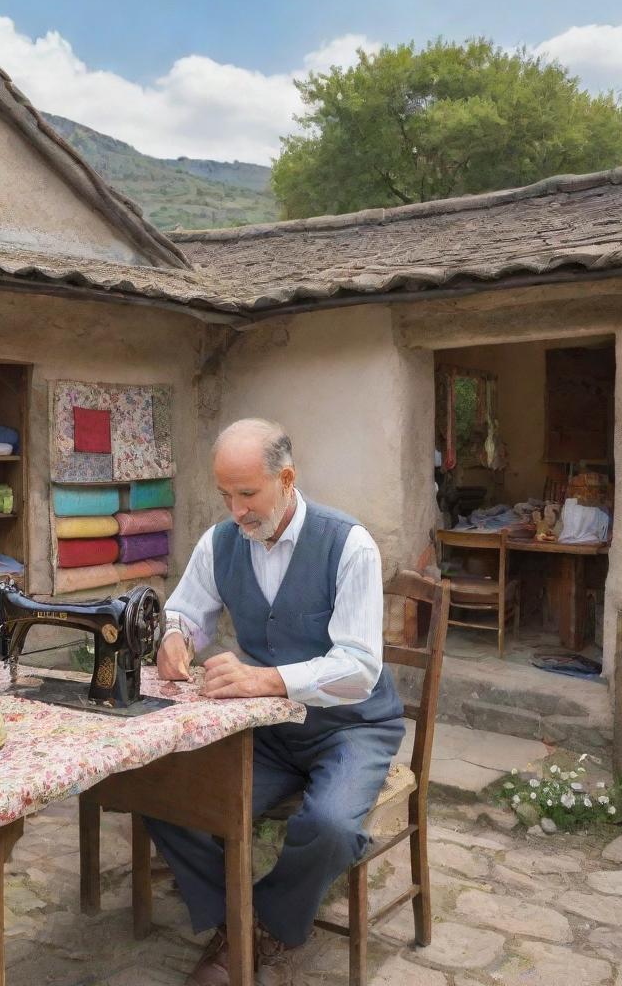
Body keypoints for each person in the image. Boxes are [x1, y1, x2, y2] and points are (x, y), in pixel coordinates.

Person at [150, 417, 405, 986]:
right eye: (224, 494)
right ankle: (235, 920)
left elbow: (360, 667)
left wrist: (265, 679)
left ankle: (263, 924)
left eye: (246, 493)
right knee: (166, 795)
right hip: (268, 731)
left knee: (333, 827)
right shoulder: (221, 541)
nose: (235, 509)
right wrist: (175, 638)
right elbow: (184, 611)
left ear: (286, 479)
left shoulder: (348, 544)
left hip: (351, 726)